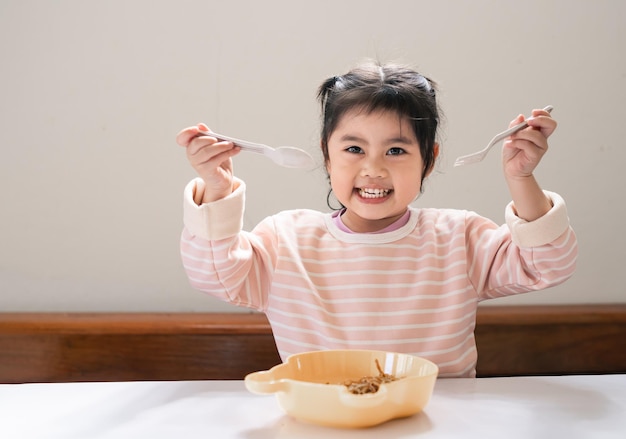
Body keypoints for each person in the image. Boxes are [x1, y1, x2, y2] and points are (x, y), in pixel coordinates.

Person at [176, 61, 577, 378]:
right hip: (322, 424)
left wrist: (521, 177)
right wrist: (215, 186)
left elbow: (547, 265)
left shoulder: (460, 238)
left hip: (439, 423)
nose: (373, 168)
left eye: (396, 151)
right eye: (353, 148)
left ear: (429, 160)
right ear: (326, 154)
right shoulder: (286, 240)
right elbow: (215, 274)